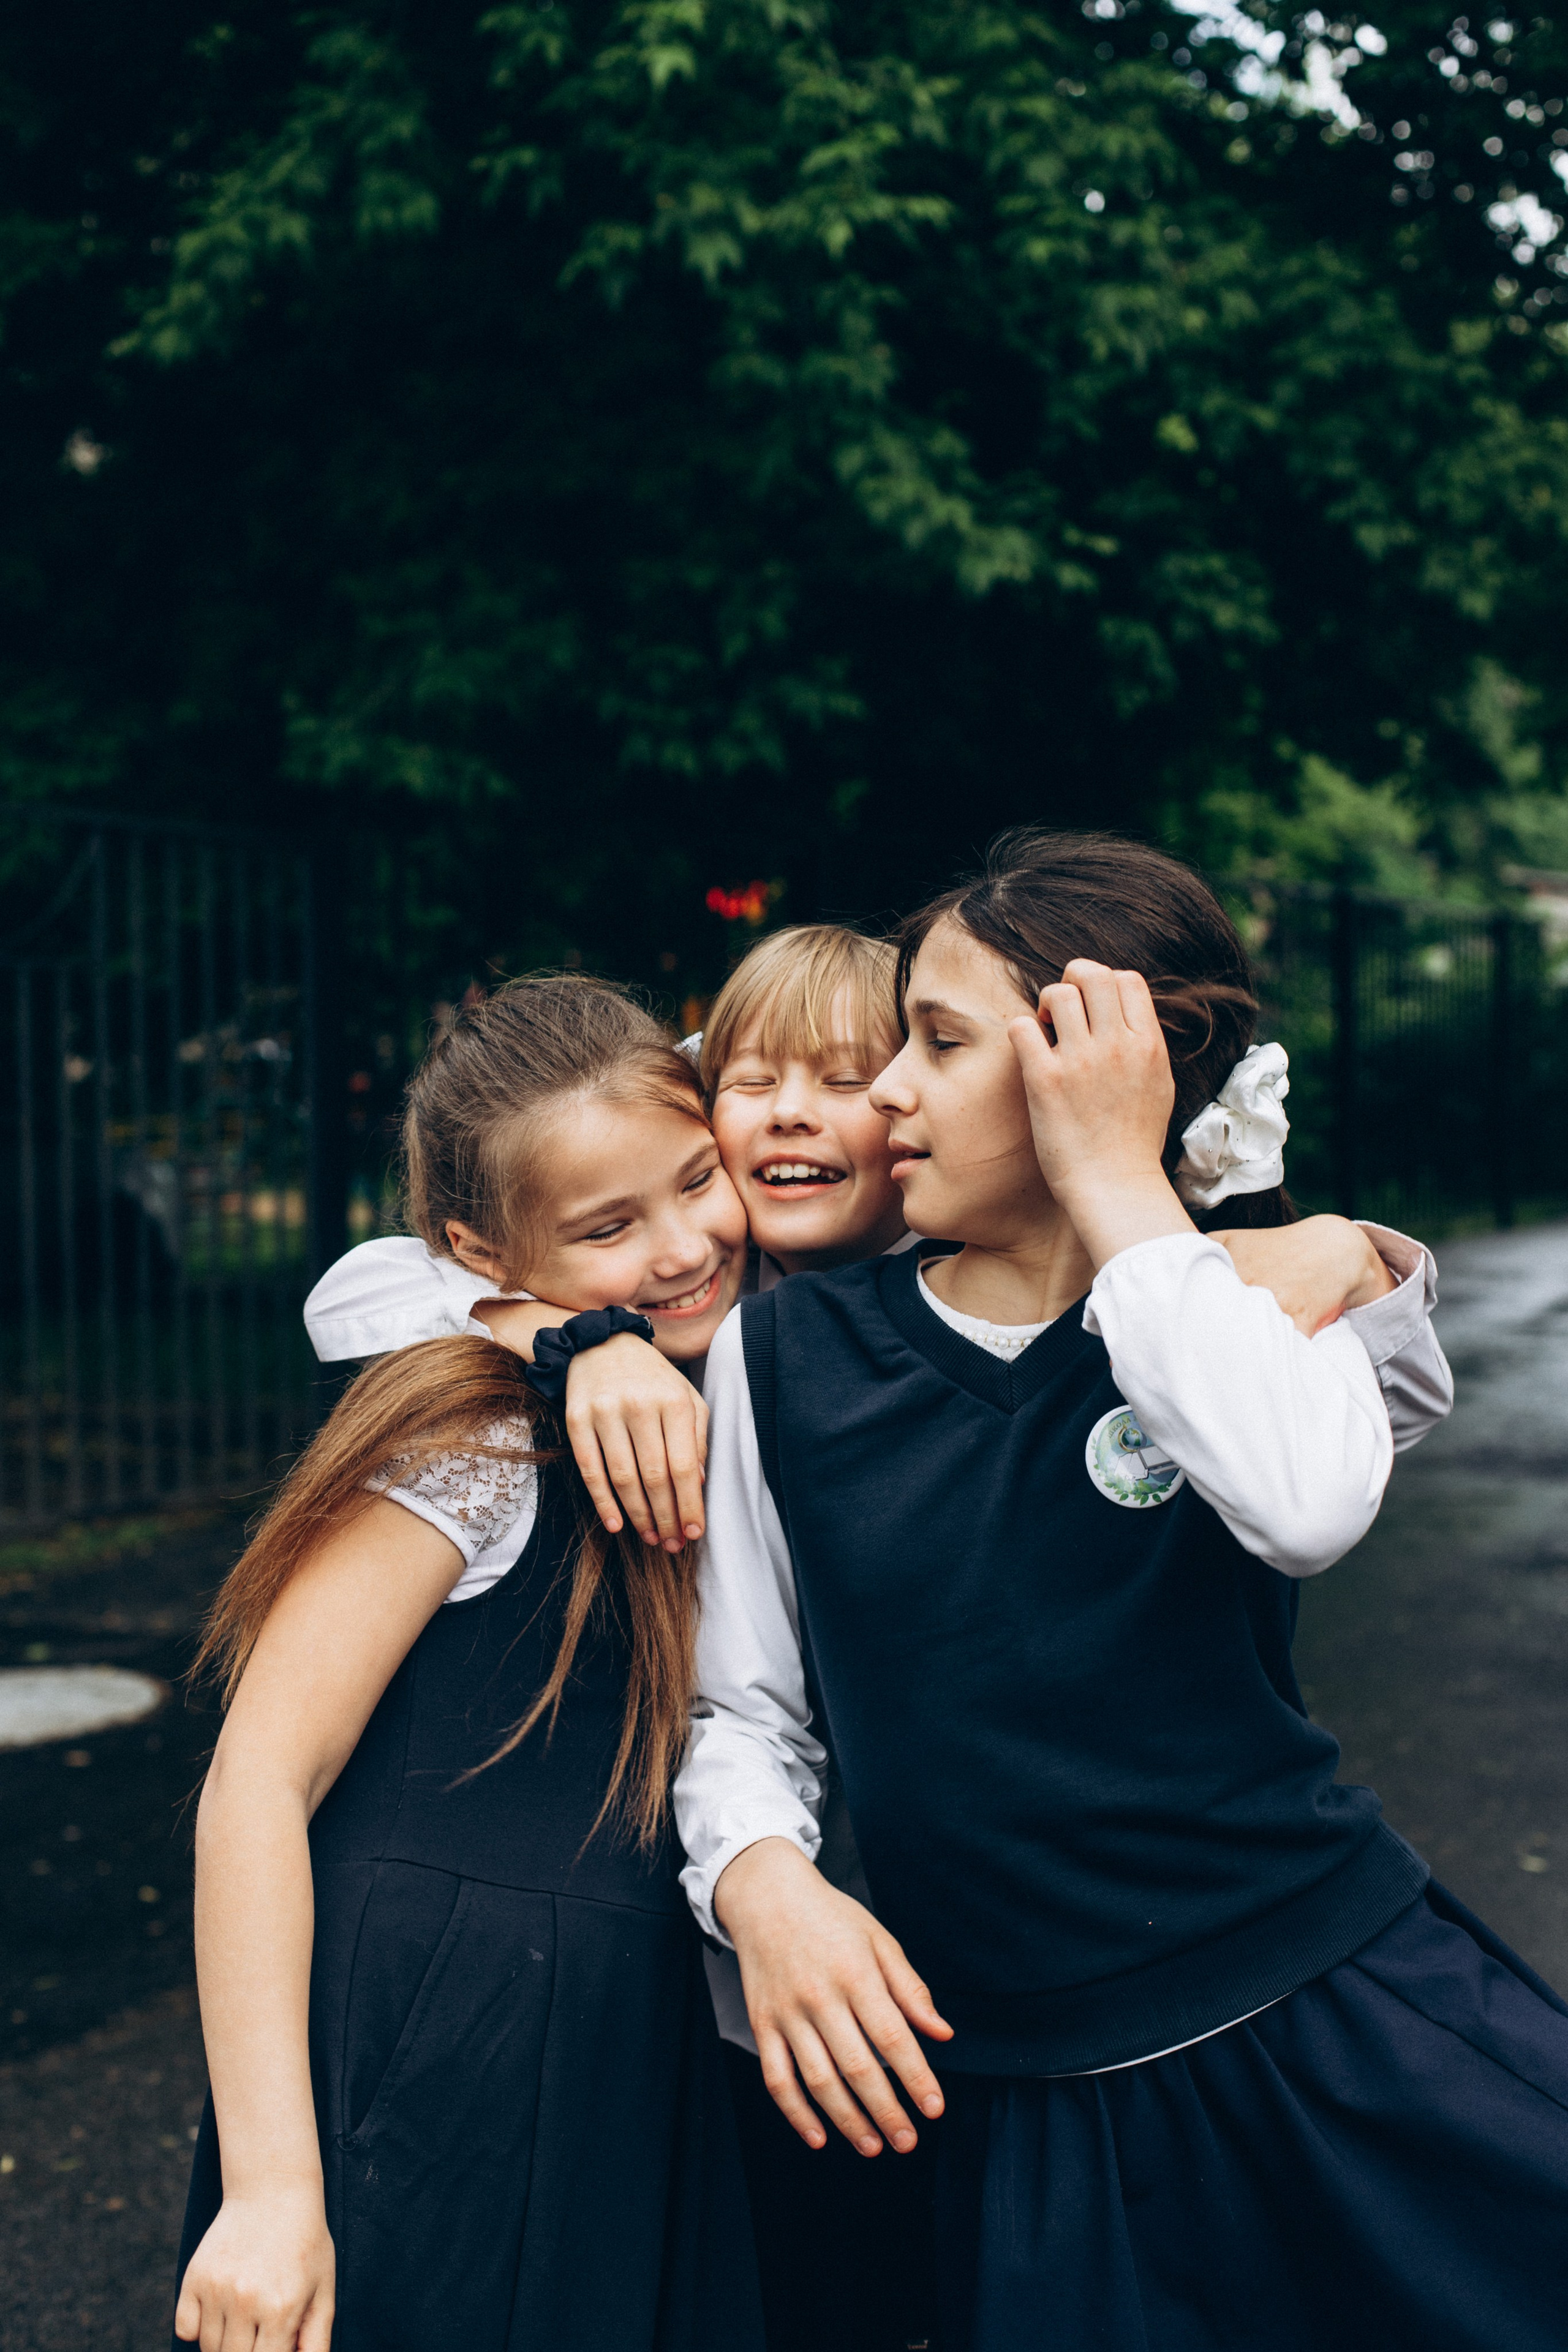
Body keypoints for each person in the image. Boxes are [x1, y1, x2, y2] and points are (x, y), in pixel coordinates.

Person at [301, 921, 1452, 2352]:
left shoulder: (1008, 1280)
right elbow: (371, 1280)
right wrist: (561, 1333)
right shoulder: (698, 1307)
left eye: (859, 1072)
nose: (798, 1108)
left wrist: (1344, 1241)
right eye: (749, 1079)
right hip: (738, 1992)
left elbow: (1293, 1410)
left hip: (1022, 1982)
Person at [677, 832, 1566, 2351]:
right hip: (1027, 2101)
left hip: (1331, 2030)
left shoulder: (1248, 1299)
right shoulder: (786, 1361)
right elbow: (741, 1708)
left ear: (1093, 1075)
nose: (887, 1088)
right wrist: (755, 1878)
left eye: (937, 1043)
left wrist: (1122, 1192)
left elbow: (1299, 1505)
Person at [172, 976, 763, 2352]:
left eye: (696, 1183)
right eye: (610, 1228)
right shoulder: (476, 1437)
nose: (682, 1246)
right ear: (480, 1256)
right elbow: (254, 1784)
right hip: (444, 2059)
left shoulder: (728, 1356)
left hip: (625, 2043)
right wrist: (270, 2188)